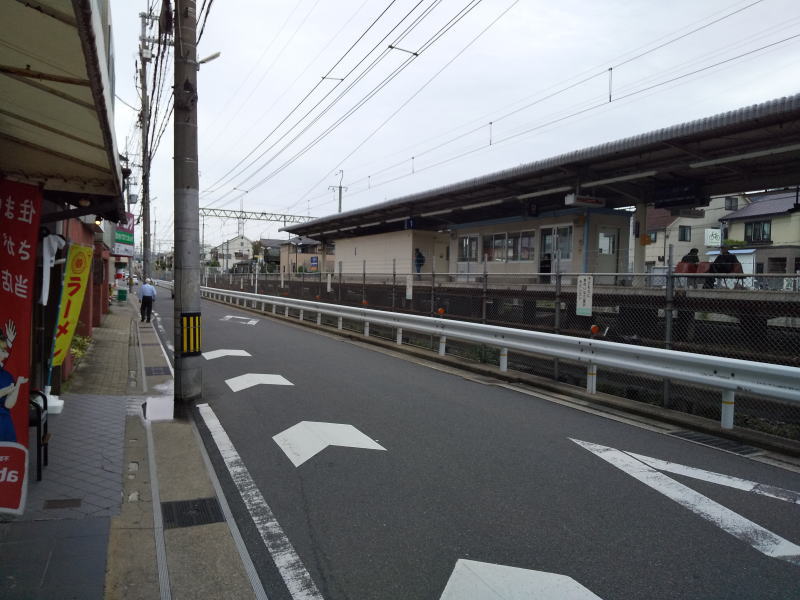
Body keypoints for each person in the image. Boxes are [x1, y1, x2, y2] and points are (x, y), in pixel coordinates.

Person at [0, 320, 28, 443]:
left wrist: (17, 386)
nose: (6, 355)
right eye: (4, 351)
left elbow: (8, 404)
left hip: (4, 423)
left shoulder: (6, 376)